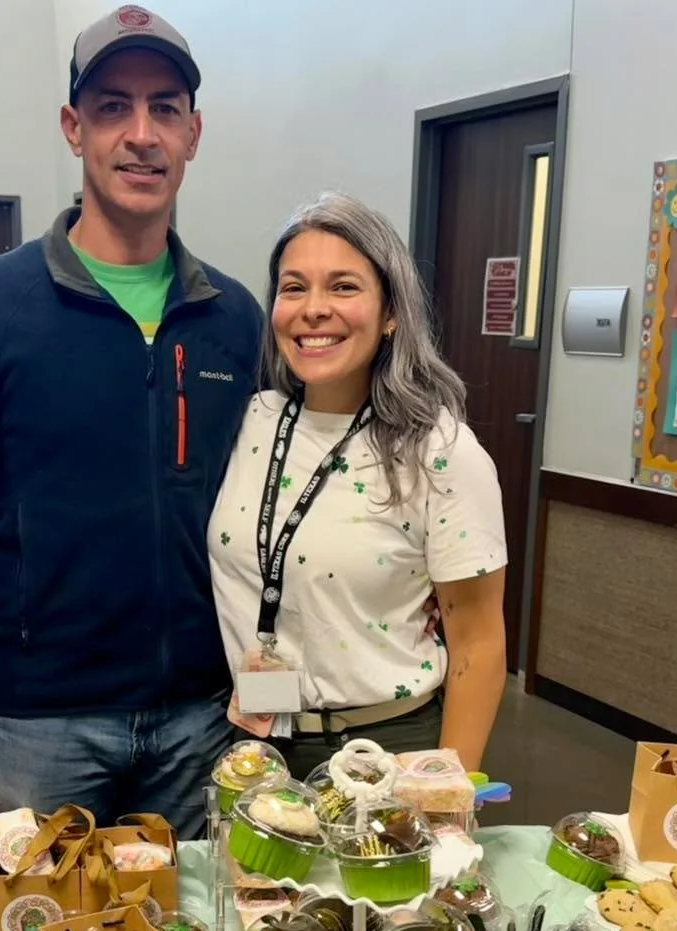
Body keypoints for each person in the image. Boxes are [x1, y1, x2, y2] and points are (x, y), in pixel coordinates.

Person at [0, 6, 262, 842]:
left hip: (203, 719)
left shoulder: (234, 319)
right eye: (112, 108)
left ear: (193, 133)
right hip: (36, 725)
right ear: (73, 128)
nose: (141, 134)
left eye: (164, 108)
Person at [208, 192, 508, 780]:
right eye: (294, 288)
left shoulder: (437, 452)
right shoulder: (251, 422)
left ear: (391, 311)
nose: (314, 309)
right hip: (254, 743)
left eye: (343, 287)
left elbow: (478, 646)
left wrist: (447, 790)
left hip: (384, 752)